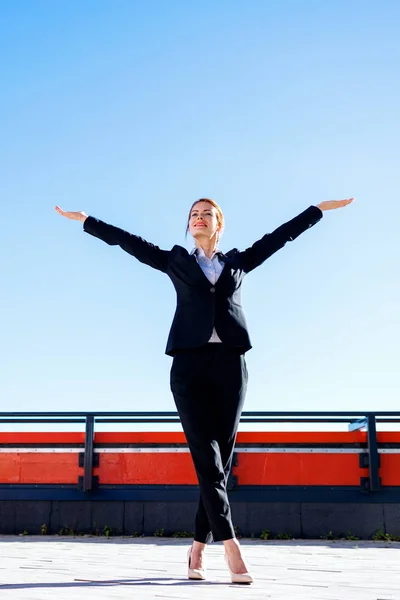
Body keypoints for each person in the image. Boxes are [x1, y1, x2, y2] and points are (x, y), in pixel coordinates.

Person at [55, 196, 354, 584]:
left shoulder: (238, 262)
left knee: (220, 462)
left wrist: (317, 211)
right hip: (189, 366)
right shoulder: (176, 261)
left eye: (206, 214)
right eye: (193, 214)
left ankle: (197, 546)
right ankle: (230, 545)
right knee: (206, 456)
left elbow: (281, 237)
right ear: (189, 224)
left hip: (231, 366)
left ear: (219, 225)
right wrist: (87, 220)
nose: (198, 218)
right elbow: (127, 242)